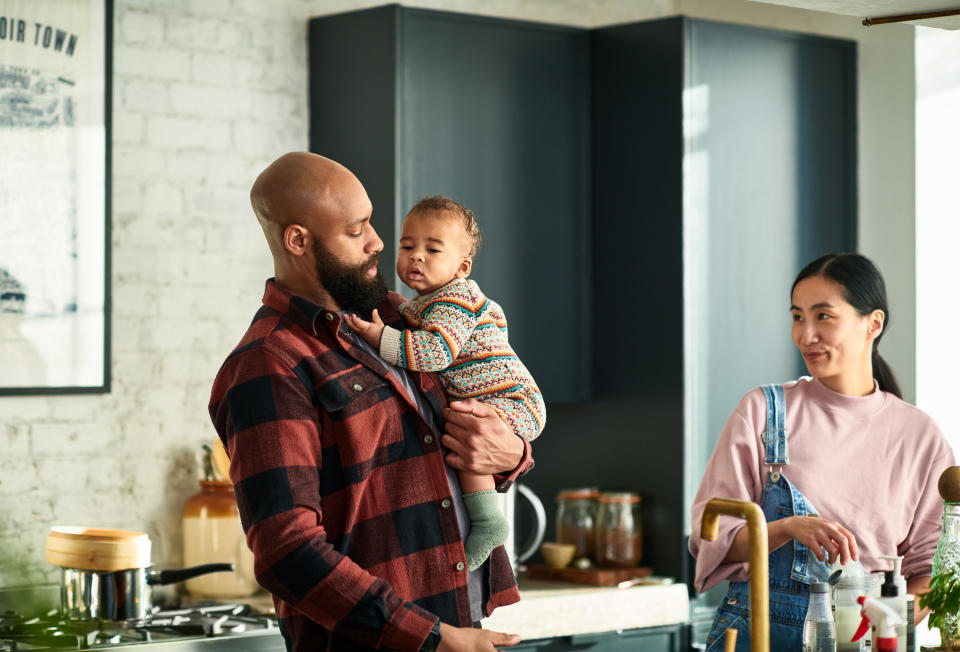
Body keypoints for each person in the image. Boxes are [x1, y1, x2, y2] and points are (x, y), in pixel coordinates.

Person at [208, 152, 532, 652]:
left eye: (372, 222)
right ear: (298, 240)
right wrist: (431, 638)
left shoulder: (402, 319)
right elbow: (287, 552)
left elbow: (480, 411)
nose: (379, 242)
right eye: (356, 229)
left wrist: (512, 453)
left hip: (465, 625)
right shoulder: (269, 364)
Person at [689, 253, 955, 652]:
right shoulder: (763, 412)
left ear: (873, 324)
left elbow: (930, 571)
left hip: (866, 641)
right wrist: (786, 527)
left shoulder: (920, 436)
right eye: (797, 317)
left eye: (823, 317)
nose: (805, 334)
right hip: (759, 635)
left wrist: (886, 618)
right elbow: (711, 538)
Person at [343, 195, 546, 572]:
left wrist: (379, 337)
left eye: (432, 249)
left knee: (469, 435)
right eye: (408, 246)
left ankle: (488, 520)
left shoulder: (457, 298)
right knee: (466, 434)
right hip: (496, 398)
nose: (416, 256)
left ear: (461, 267)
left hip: (511, 398)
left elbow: (435, 352)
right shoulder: (421, 302)